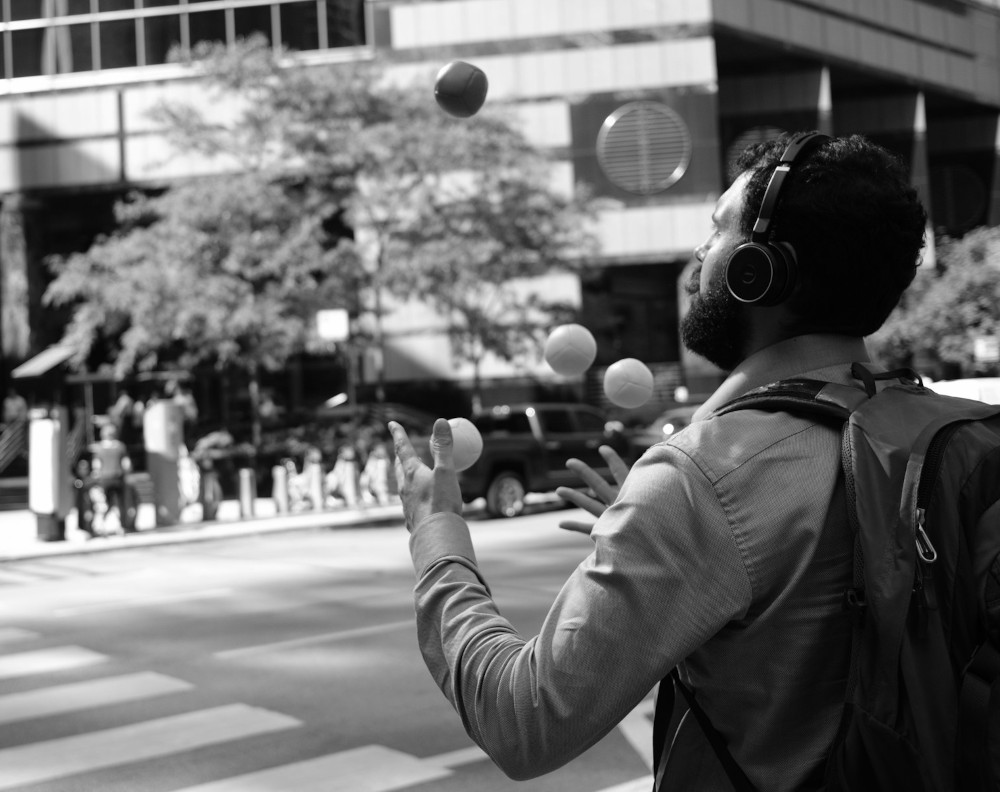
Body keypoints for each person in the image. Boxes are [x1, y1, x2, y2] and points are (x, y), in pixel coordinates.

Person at [387, 131, 928, 790]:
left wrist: (436, 536)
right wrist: (656, 527)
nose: (700, 255)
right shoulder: (918, 427)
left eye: (718, 231)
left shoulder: (707, 475)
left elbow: (523, 721)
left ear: (762, 269)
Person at [90, 423, 134, 532]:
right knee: (121, 503)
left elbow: (96, 464)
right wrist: (127, 473)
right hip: (118, 477)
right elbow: (126, 464)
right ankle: (122, 526)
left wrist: (96, 475)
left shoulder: (99, 448)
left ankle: (101, 525)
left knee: (106, 504)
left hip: (105, 479)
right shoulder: (120, 446)